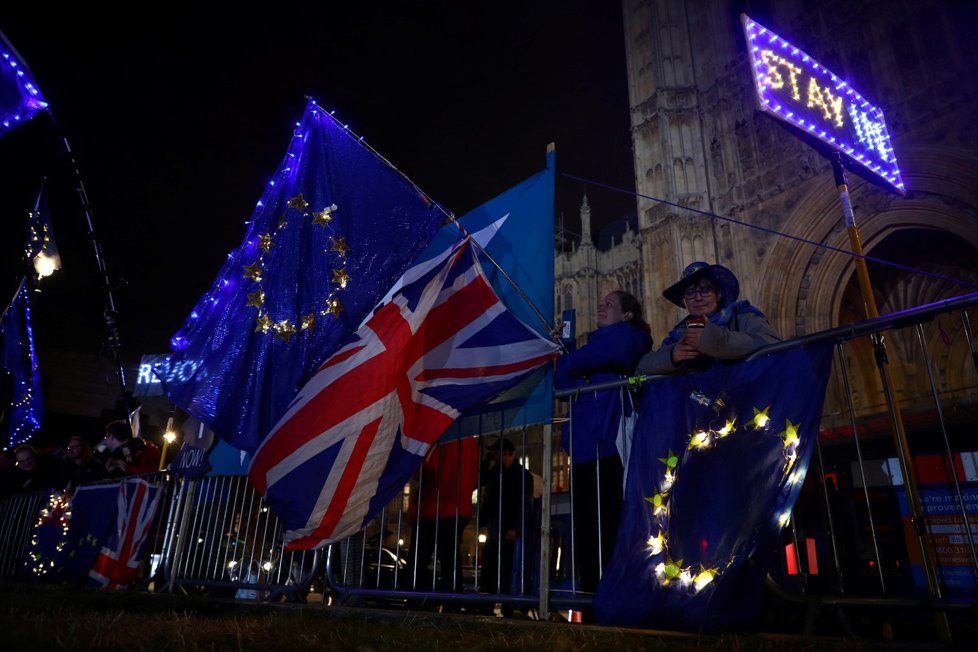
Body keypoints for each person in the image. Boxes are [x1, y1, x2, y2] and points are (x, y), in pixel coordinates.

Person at [554, 290, 653, 595]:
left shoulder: (631, 338)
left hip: (611, 445)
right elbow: (562, 380)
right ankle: (591, 598)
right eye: (601, 301)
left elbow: (604, 354)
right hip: (584, 449)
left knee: (610, 524)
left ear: (627, 315)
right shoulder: (595, 348)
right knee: (586, 529)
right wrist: (565, 350)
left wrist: (572, 359)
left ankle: (617, 598)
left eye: (609, 304)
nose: (601, 305)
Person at [636, 261, 780, 375]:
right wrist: (672, 356)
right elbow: (642, 367)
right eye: (690, 293)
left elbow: (771, 342)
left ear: (718, 295)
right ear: (685, 301)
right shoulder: (680, 334)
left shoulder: (741, 315)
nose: (698, 298)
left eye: (705, 290)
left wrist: (717, 340)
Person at [409, 437, 479, 595]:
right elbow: (475, 479)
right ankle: (453, 598)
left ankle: (415, 597)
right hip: (459, 507)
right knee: (451, 558)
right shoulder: (471, 442)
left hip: (435, 506)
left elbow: (428, 467)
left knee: (419, 557)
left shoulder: (441, 437)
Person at [478, 436, 533, 615]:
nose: (494, 455)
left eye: (497, 452)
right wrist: (486, 462)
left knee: (508, 568)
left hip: (509, 528)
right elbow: (481, 480)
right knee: (490, 568)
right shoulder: (496, 472)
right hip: (495, 526)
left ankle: (508, 606)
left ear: (507, 453)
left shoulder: (521, 475)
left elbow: (524, 503)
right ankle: (487, 605)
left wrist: (515, 528)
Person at [96, 420, 162, 477]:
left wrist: (127, 468)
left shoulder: (150, 453)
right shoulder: (124, 451)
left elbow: (148, 472)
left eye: (128, 456)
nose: (127, 460)